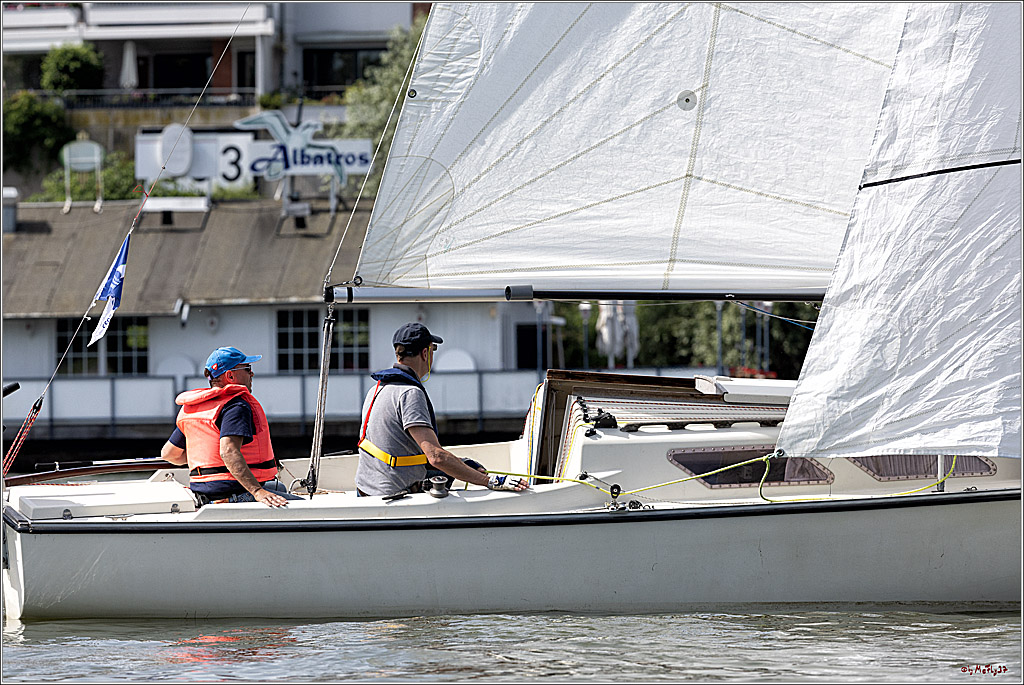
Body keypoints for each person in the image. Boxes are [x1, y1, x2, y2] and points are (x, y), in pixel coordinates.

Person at [355, 322, 530, 497]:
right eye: (433, 350)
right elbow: (436, 457)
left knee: (455, 469)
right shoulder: (410, 394)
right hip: (393, 496)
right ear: (425, 353)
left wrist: (462, 464)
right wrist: (490, 481)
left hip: (365, 490)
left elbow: (400, 448)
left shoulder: (377, 389)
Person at [160, 346, 302, 507]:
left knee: (278, 486)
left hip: (204, 494)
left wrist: (208, 457)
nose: (252, 374)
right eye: (247, 369)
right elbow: (228, 451)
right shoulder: (236, 406)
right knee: (304, 507)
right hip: (234, 492)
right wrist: (257, 492)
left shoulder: (194, 408)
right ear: (230, 376)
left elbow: (168, 454)